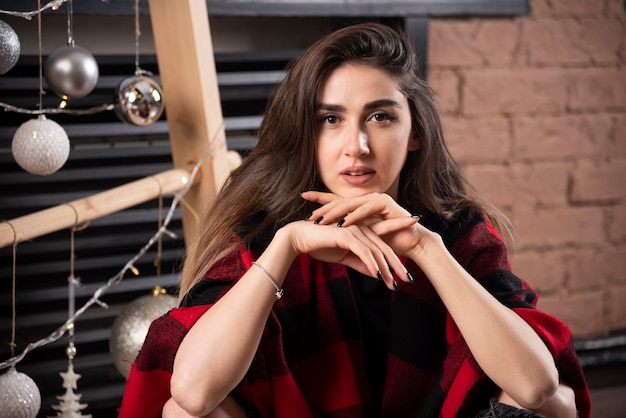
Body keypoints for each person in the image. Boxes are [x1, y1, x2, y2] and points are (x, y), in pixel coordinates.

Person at [118, 23, 591, 418]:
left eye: (380, 117)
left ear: (415, 135)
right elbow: (193, 393)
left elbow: (536, 387)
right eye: (330, 119)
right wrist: (286, 247)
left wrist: (426, 249)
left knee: (557, 405)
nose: (356, 146)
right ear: (306, 133)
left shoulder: (457, 231)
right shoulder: (262, 233)